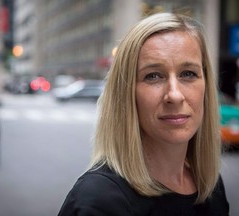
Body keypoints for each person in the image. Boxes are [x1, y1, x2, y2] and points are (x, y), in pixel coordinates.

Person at [58, 12, 230, 216]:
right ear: (126, 94)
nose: (174, 95)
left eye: (188, 74)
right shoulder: (98, 201)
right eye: (153, 76)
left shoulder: (211, 186)